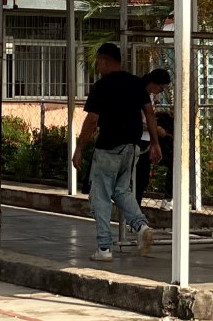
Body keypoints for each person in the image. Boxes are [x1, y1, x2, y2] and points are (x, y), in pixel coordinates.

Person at [72, 43, 160, 261]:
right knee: (122, 191)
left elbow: (92, 120)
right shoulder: (135, 83)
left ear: (104, 60)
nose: (98, 66)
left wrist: (79, 147)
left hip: (108, 147)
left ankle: (104, 248)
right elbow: (149, 113)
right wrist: (155, 142)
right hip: (131, 147)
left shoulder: (101, 86)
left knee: (100, 195)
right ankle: (141, 227)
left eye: (98, 62)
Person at [135, 69, 172, 207]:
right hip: (137, 139)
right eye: (161, 89)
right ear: (155, 83)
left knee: (143, 179)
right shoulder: (140, 94)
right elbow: (137, 122)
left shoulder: (149, 96)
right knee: (137, 179)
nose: (160, 93)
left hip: (146, 139)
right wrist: (154, 129)